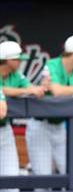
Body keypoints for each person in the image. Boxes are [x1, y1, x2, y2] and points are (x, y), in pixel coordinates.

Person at [26, 34, 73, 175]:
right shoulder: (52, 64)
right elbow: (56, 90)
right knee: (43, 177)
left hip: (60, 127)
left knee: (71, 172)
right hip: (40, 126)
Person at [0, 41, 46, 176]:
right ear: (8, 60)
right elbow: (3, 89)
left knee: (12, 180)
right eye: (17, 59)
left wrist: (40, 88)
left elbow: (30, 87)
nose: (20, 62)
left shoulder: (16, 75)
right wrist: (23, 91)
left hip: (5, 129)